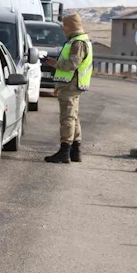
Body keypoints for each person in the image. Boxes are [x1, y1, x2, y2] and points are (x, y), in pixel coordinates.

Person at [44, 13, 93, 164]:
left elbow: (72, 64)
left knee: (67, 118)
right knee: (73, 117)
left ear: (70, 26)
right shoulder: (81, 40)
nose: (63, 29)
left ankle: (65, 151)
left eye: (64, 26)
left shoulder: (77, 43)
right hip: (74, 85)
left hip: (70, 85)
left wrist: (54, 63)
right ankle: (75, 150)